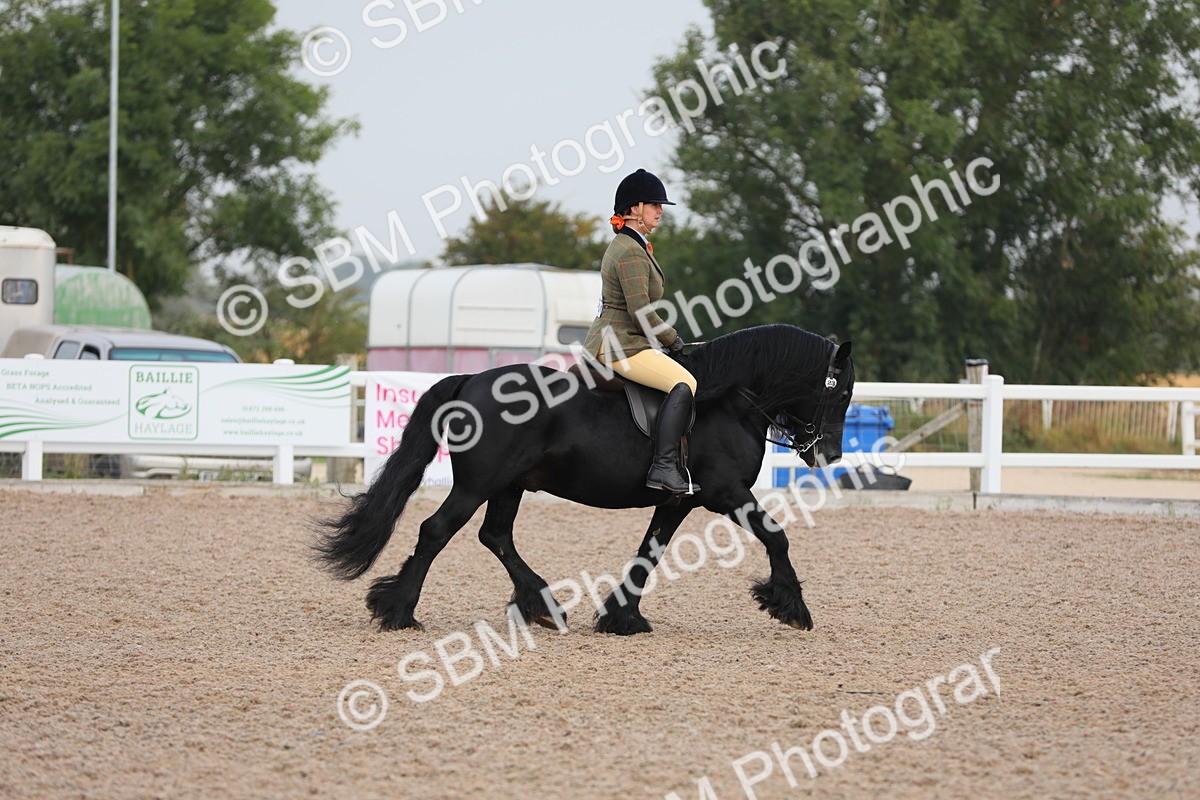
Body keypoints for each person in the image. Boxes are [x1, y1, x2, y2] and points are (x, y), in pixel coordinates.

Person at [581, 168, 700, 495]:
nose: (660, 211)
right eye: (654, 205)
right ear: (634, 209)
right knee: (684, 382)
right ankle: (662, 467)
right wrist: (672, 338)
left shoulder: (633, 244)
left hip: (625, 339)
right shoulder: (629, 250)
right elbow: (639, 311)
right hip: (618, 343)